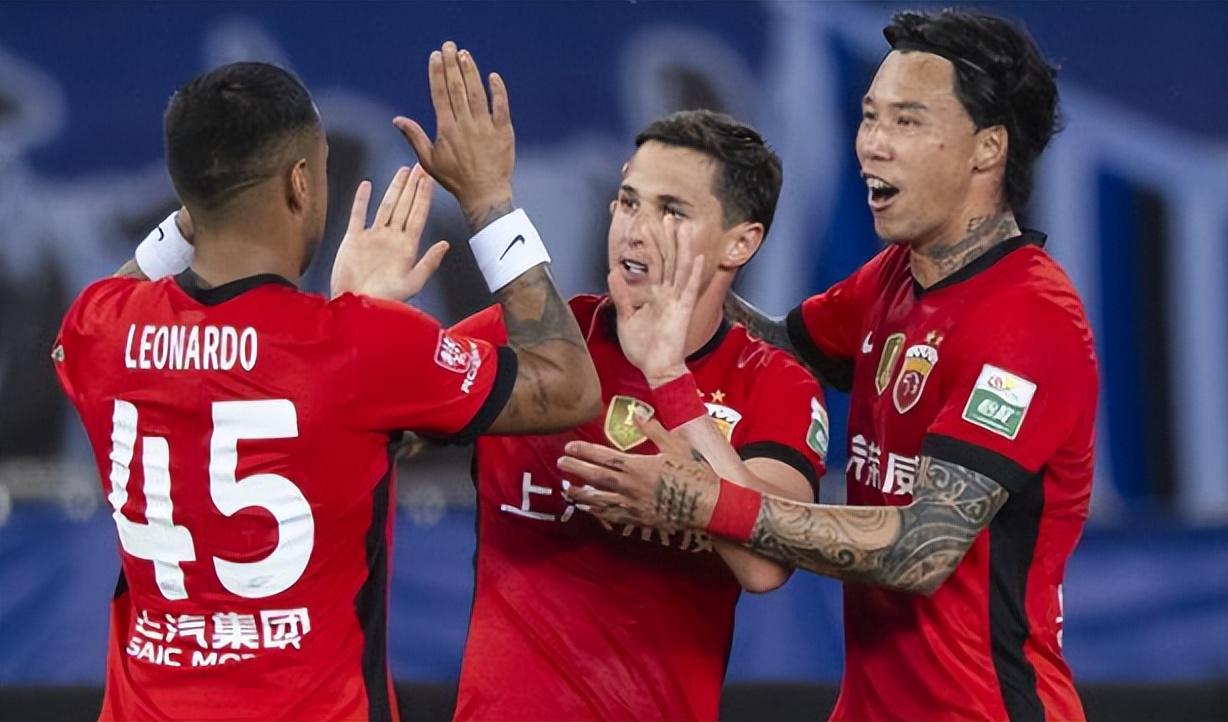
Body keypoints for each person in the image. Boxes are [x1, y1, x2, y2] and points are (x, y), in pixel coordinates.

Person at [562, 9, 1095, 722]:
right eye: (870, 116)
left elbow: (921, 549)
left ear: (987, 148)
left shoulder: (1029, 319)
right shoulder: (895, 277)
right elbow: (769, 348)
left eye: (906, 121)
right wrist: (682, 260)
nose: (872, 144)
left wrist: (702, 502)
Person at [52, 45, 600, 722]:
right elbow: (568, 384)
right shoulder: (362, 345)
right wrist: (491, 203)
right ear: (301, 184)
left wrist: (202, 196)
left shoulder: (100, 330)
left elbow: (115, 300)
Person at [437, 109, 827, 721]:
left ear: (740, 242)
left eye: (672, 211)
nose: (634, 231)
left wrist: (670, 381)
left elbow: (765, 564)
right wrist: (365, 310)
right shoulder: (533, 343)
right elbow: (374, 419)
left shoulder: (774, 385)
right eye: (628, 201)